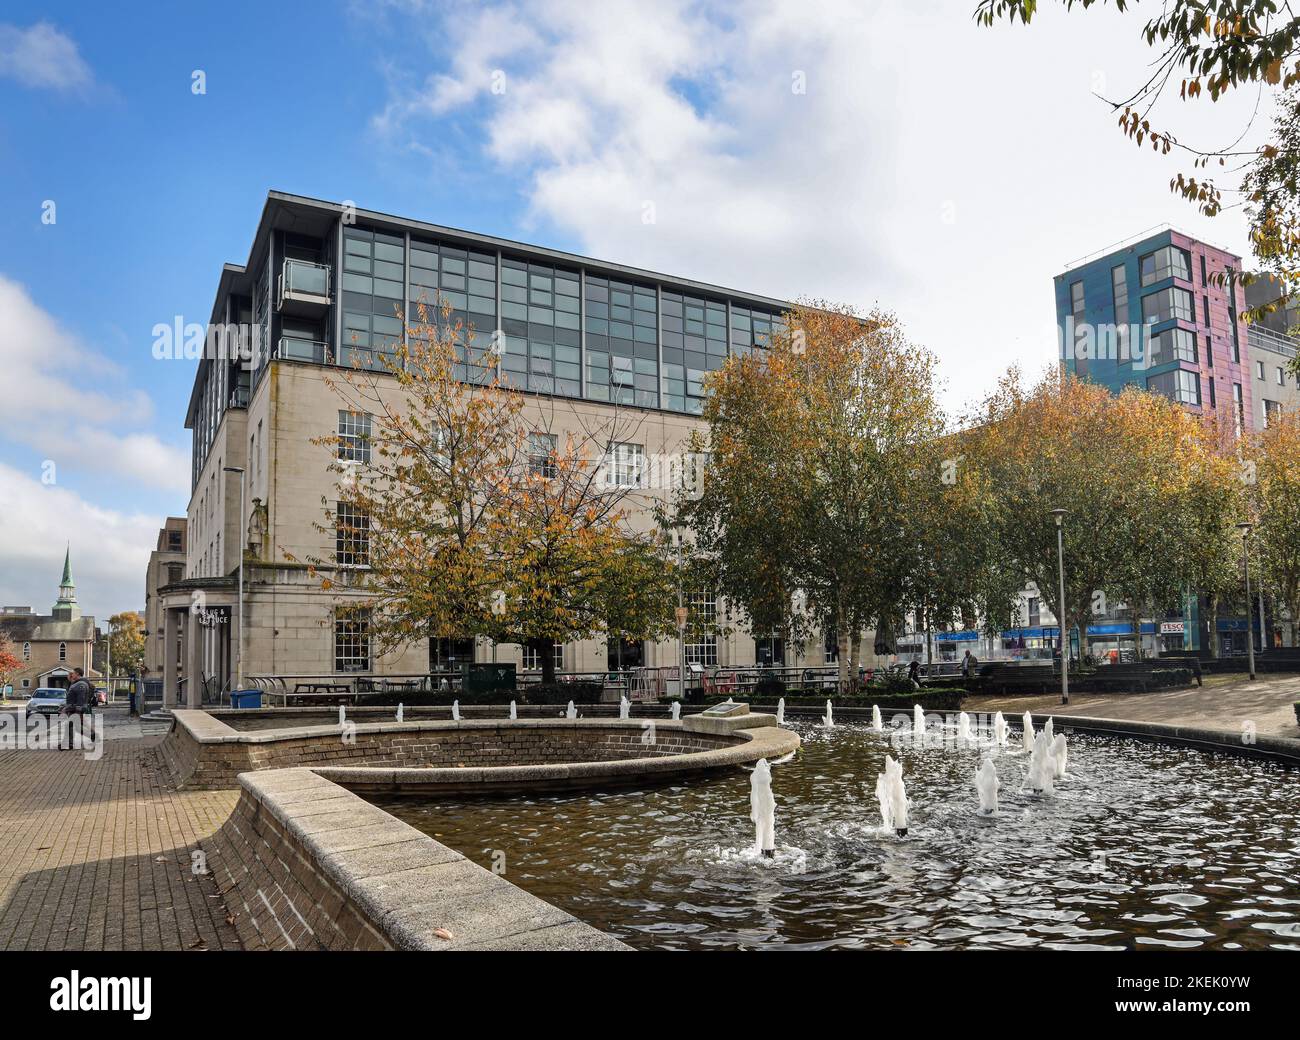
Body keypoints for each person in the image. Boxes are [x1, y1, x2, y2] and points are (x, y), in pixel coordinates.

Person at [62, 668, 95, 751]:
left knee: (70, 725)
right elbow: (73, 692)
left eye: (72, 673)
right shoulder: (77, 683)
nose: (71, 674)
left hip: (76, 708)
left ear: (77, 674)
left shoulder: (81, 685)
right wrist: (70, 678)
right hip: (73, 707)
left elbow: (81, 698)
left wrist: (78, 711)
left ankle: (68, 744)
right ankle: (91, 735)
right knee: (74, 726)